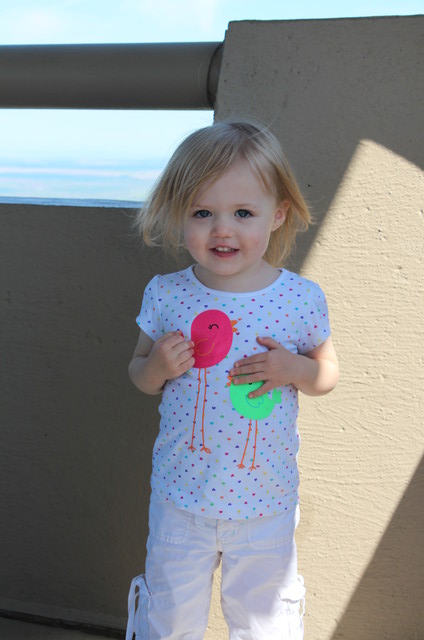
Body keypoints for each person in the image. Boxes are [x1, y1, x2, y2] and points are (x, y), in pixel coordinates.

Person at [125, 120, 339, 640]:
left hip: (264, 503)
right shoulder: (168, 293)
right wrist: (157, 368)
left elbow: (326, 374)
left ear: (278, 213)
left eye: (243, 212)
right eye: (203, 213)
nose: (223, 228)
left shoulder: (299, 298)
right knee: (169, 620)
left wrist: (295, 369)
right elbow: (139, 372)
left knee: (264, 624)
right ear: (181, 216)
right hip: (181, 499)